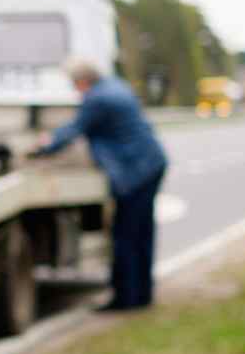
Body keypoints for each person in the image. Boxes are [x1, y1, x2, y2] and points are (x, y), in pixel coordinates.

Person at [33, 59, 167, 312]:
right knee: (141, 235)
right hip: (149, 163)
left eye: (75, 85)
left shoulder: (98, 99)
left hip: (135, 171)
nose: (76, 90)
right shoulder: (115, 86)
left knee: (125, 236)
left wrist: (44, 145)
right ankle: (142, 294)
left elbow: (77, 128)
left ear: (83, 81)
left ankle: (126, 299)